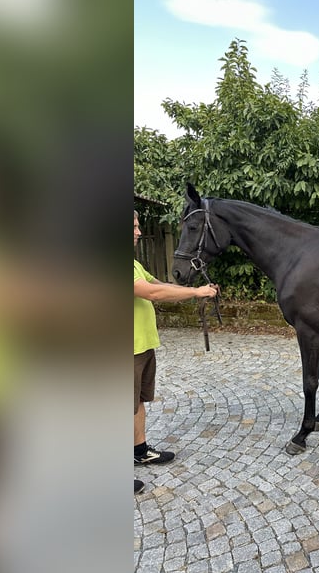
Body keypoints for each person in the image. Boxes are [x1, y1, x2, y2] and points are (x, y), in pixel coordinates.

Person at [133, 210, 218, 493]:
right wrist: (196, 294)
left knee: (137, 402)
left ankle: (140, 450)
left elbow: (159, 285)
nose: (137, 232)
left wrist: (196, 289)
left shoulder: (132, 263)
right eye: (132, 227)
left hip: (141, 346)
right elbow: (152, 294)